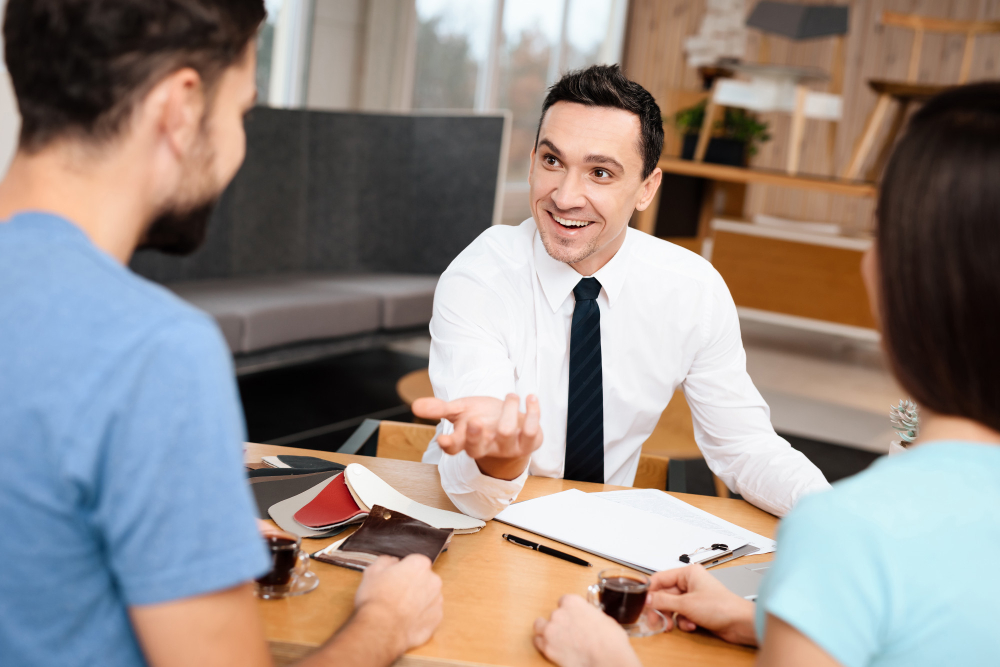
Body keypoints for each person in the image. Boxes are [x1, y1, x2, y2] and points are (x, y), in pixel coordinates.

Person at [0, 2, 441, 666]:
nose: (237, 145)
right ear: (181, 107)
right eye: (241, 112)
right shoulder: (155, 351)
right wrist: (385, 619)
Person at [532, 82, 1000, 667]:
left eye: (879, 231)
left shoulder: (853, 538)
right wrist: (762, 618)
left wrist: (606, 660)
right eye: (552, 161)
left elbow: (744, 444)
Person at [412, 65, 829, 520]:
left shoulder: (692, 290)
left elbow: (745, 447)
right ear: (532, 163)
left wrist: (832, 512)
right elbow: (470, 491)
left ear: (647, 188)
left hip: (606, 536)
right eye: (553, 162)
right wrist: (501, 457)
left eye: (601, 173)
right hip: (473, 524)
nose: (566, 196)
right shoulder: (481, 275)